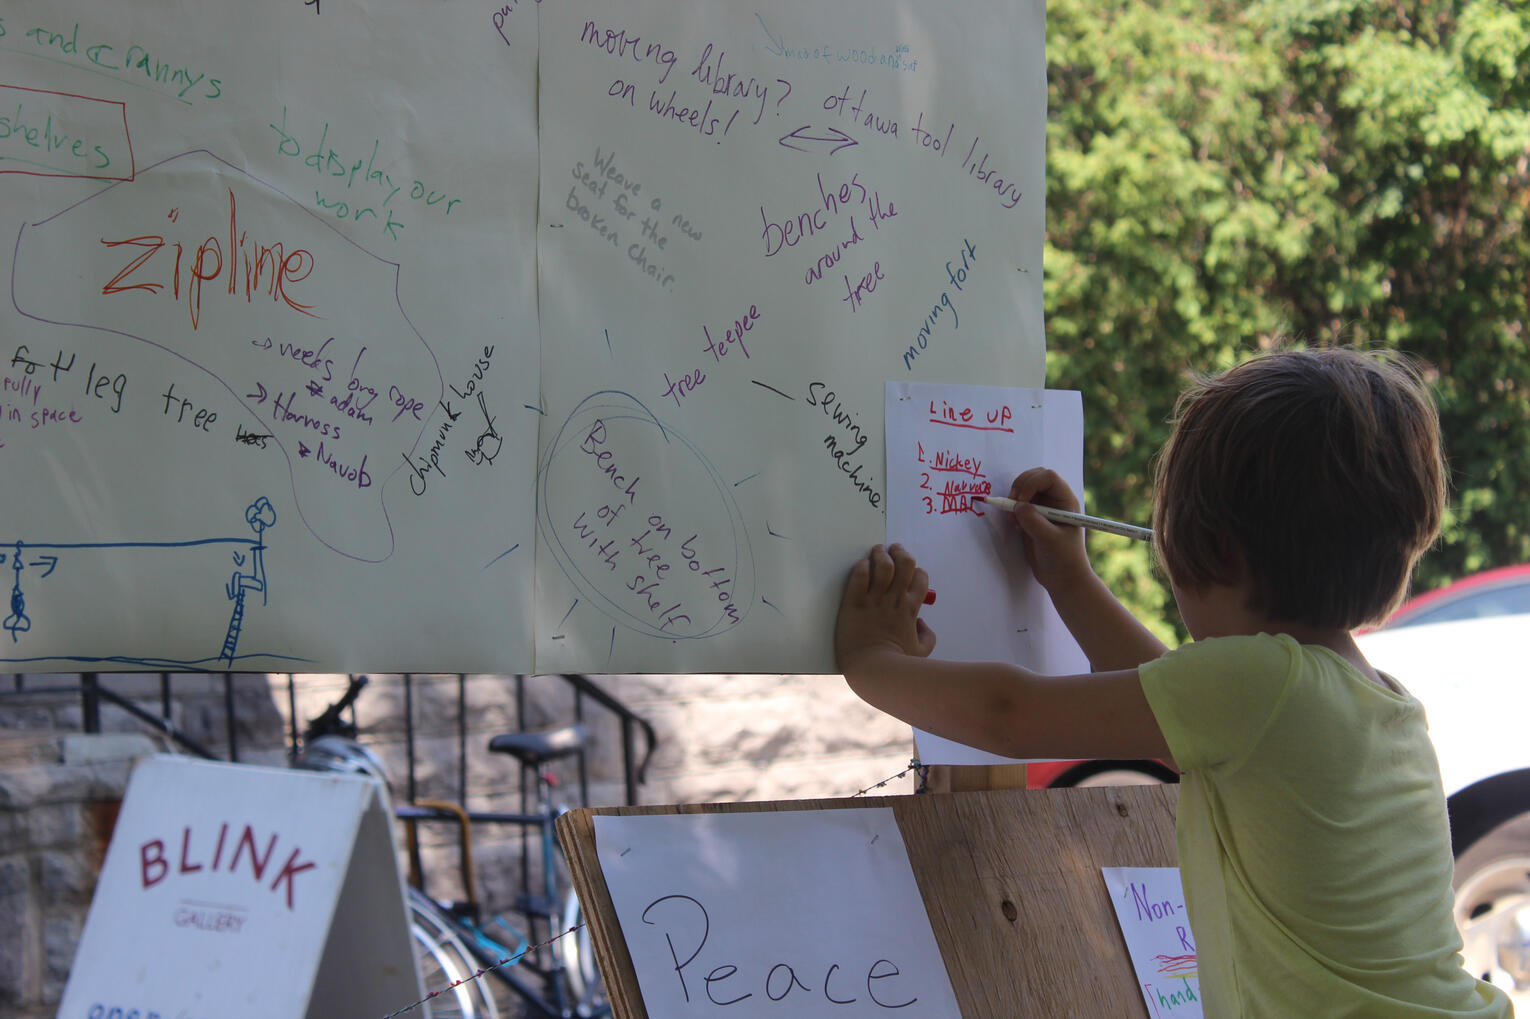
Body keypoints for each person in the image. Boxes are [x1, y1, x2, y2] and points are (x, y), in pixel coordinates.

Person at [835, 348, 1511, 1017]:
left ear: (1211, 550)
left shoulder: (1264, 686)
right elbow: (1162, 698)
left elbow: (1012, 715)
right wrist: (1070, 581)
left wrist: (874, 662)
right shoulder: (1371, 698)